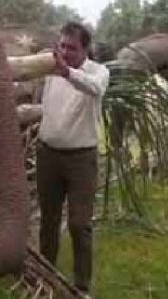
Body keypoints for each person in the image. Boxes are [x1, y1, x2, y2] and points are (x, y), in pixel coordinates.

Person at [37, 22, 110, 297]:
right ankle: (45, 277)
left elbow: (95, 89)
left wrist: (66, 71)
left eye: (72, 48)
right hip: (47, 155)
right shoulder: (49, 70)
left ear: (86, 48)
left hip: (81, 159)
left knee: (80, 224)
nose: (65, 52)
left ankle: (81, 287)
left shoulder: (99, 72)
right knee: (49, 221)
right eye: (62, 46)